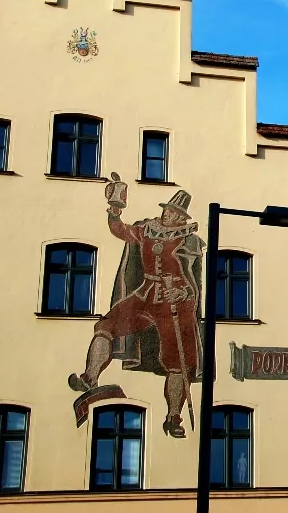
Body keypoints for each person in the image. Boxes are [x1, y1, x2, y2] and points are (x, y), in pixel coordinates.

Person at [69, 187, 204, 438]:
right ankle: (90, 377)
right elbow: (122, 231)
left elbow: (192, 276)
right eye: (167, 209)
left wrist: (183, 294)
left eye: (174, 213)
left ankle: (173, 416)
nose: (168, 215)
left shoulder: (189, 240)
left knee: (178, 363)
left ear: (182, 218)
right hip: (146, 293)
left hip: (174, 303)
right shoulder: (148, 230)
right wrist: (114, 214)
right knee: (106, 326)